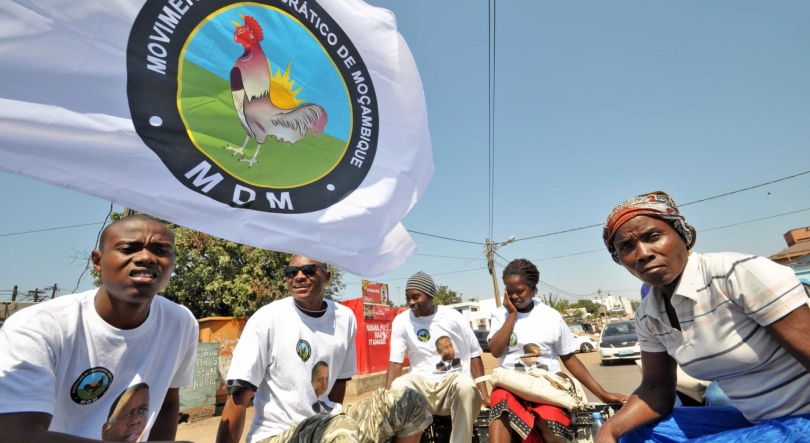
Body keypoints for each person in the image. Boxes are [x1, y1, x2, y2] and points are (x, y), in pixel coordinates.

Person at [595, 191, 810, 442]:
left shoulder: (736, 274)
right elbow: (656, 390)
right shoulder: (648, 315)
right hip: (756, 420)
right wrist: (608, 430)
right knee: (631, 432)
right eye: (626, 247)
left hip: (804, 419)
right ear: (620, 260)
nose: (642, 253)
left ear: (687, 237)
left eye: (653, 236)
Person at [0, 214, 198, 443]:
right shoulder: (38, 327)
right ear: (97, 261)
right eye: (128, 248)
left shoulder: (180, 322)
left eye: (161, 251)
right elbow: (15, 435)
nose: (146, 257)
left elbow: (167, 401)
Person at [217, 255, 431, 443]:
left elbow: (338, 384)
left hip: (328, 425)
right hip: (278, 434)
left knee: (412, 402)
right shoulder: (267, 319)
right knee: (341, 433)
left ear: (326, 277)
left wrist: (332, 422)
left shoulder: (344, 317)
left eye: (309, 270)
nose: (299, 276)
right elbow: (238, 398)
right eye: (291, 272)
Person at [488, 259, 628, 443]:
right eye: (509, 291)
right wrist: (512, 315)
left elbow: (569, 358)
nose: (514, 296)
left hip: (547, 385)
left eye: (519, 291)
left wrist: (602, 393)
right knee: (500, 402)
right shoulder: (501, 314)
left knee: (552, 422)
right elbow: (496, 351)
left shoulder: (550, 316)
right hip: (511, 384)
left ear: (532, 287)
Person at [385, 271, 489, 443]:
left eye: (416, 297)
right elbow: (395, 362)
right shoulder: (402, 321)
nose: (411, 302)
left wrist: (484, 394)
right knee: (399, 385)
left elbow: (474, 354)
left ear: (431, 295)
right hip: (422, 387)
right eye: (408, 297)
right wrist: (386, 397)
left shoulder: (453, 318)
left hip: (450, 385)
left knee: (466, 385)